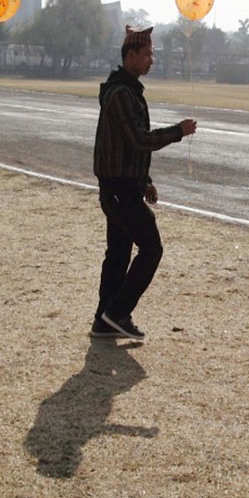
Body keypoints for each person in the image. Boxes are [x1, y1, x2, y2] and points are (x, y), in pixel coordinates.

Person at [91, 25, 196, 340]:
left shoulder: (125, 89)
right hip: (119, 190)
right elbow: (138, 139)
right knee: (151, 248)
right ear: (131, 56)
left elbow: (124, 145)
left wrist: (145, 179)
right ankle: (117, 312)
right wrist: (179, 131)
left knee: (119, 254)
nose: (152, 59)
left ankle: (104, 320)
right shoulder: (122, 93)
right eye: (147, 54)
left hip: (122, 186)